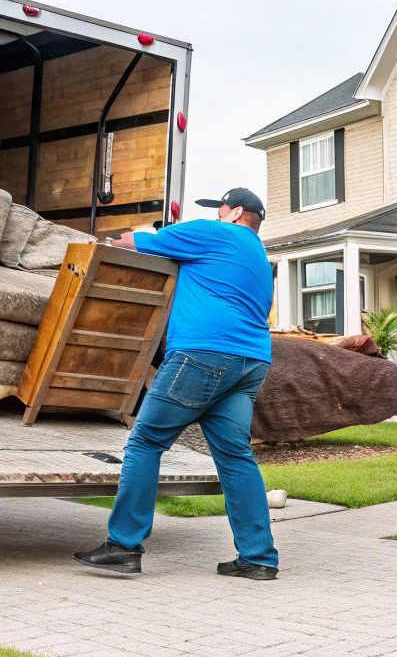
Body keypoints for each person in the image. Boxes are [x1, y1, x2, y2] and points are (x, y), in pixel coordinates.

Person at [74, 187, 279, 580]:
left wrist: (113, 237)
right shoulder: (257, 253)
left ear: (236, 212)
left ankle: (123, 546)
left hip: (203, 355)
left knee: (145, 441)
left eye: (220, 209)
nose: (216, 214)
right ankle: (258, 557)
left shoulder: (213, 232)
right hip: (251, 363)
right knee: (236, 458)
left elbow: (135, 242)